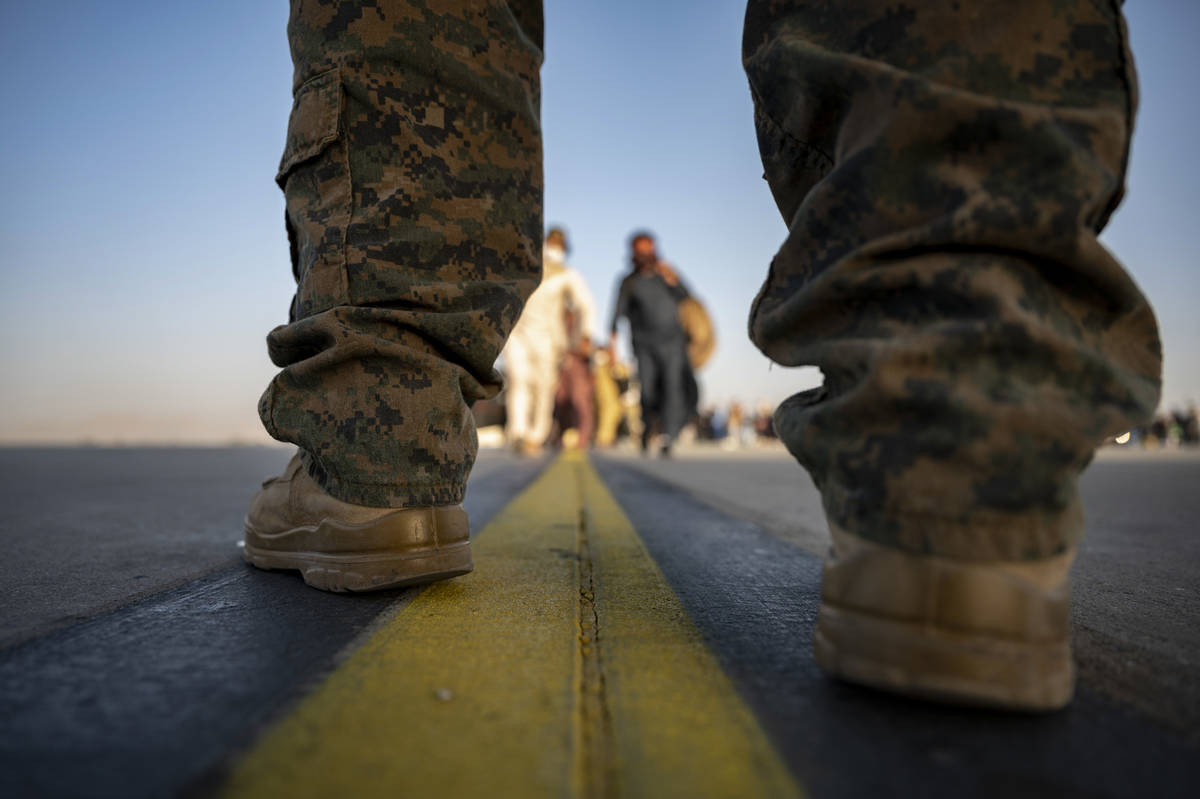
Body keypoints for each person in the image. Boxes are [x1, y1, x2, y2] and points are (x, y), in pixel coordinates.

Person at [243, 1, 1161, 712]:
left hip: (646, 348)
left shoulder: (664, 279)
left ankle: (378, 445)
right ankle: (956, 459)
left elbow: (677, 317)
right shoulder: (625, 281)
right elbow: (607, 307)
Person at [501, 227, 596, 455]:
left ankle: (536, 434)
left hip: (548, 340)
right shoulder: (523, 268)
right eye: (550, 242)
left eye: (558, 245)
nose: (553, 248)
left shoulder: (567, 275)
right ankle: (518, 432)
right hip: (518, 335)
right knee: (518, 380)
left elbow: (586, 305)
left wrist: (583, 336)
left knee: (543, 387)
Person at [608, 232, 698, 457]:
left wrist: (671, 278)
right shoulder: (628, 282)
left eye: (649, 250)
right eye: (640, 250)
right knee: (647, 389)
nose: (645, 254)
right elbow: (616, 314)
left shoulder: (666, 275)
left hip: (673, 342)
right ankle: (648, 428)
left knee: (672, 386)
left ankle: (669, 435)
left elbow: (686, 297)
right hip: (643, 345)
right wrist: (612, 346)